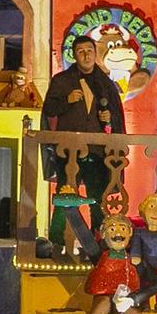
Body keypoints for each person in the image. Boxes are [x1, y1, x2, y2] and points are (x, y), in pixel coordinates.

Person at [42, 35, 123, 245]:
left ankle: (99, 240)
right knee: (65, 194)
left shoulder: (105, 84)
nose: (86, 55)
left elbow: (115, 117)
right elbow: (49, 109)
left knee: (97, 196)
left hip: (96, 151)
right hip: (68, 151)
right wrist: (66, 101)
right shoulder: (62, 81)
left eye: (89, 50)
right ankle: (57, 241)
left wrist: (109, 119)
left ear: (95, 54)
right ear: (74, 55)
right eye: (81, 51)